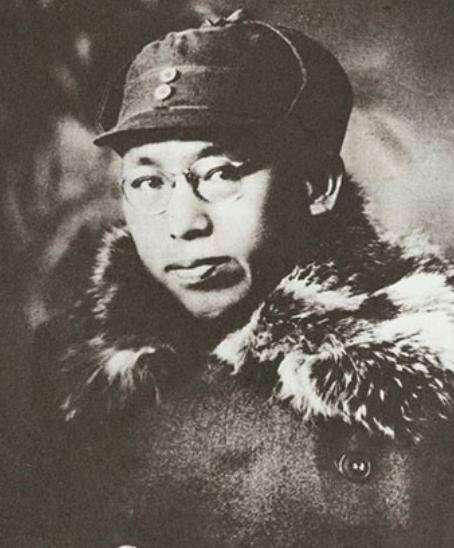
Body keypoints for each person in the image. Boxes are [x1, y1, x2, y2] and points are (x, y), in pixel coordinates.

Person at [31, 9, 454, 547]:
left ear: (316, 187)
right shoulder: (64, 378)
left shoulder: (433, 361)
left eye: (221, 174)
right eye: (148, 182)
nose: (184, 223)